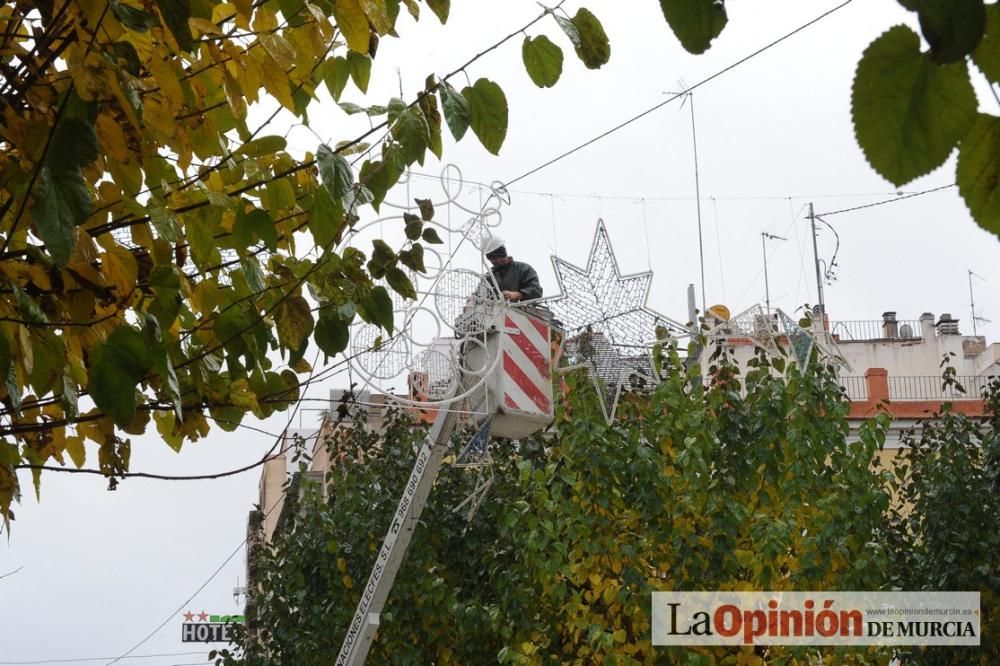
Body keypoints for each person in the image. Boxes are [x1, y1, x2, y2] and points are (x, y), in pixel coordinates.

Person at [483, 235, 542, 302]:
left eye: (499, 257)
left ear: (504, 253)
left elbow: (536, 291)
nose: (497, 261)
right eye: (492, 258)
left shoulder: (524, 269)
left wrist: (517, 295)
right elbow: (478, 295)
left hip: (521, 310)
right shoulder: (488, 277)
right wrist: (471, 302)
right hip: (496, 311)